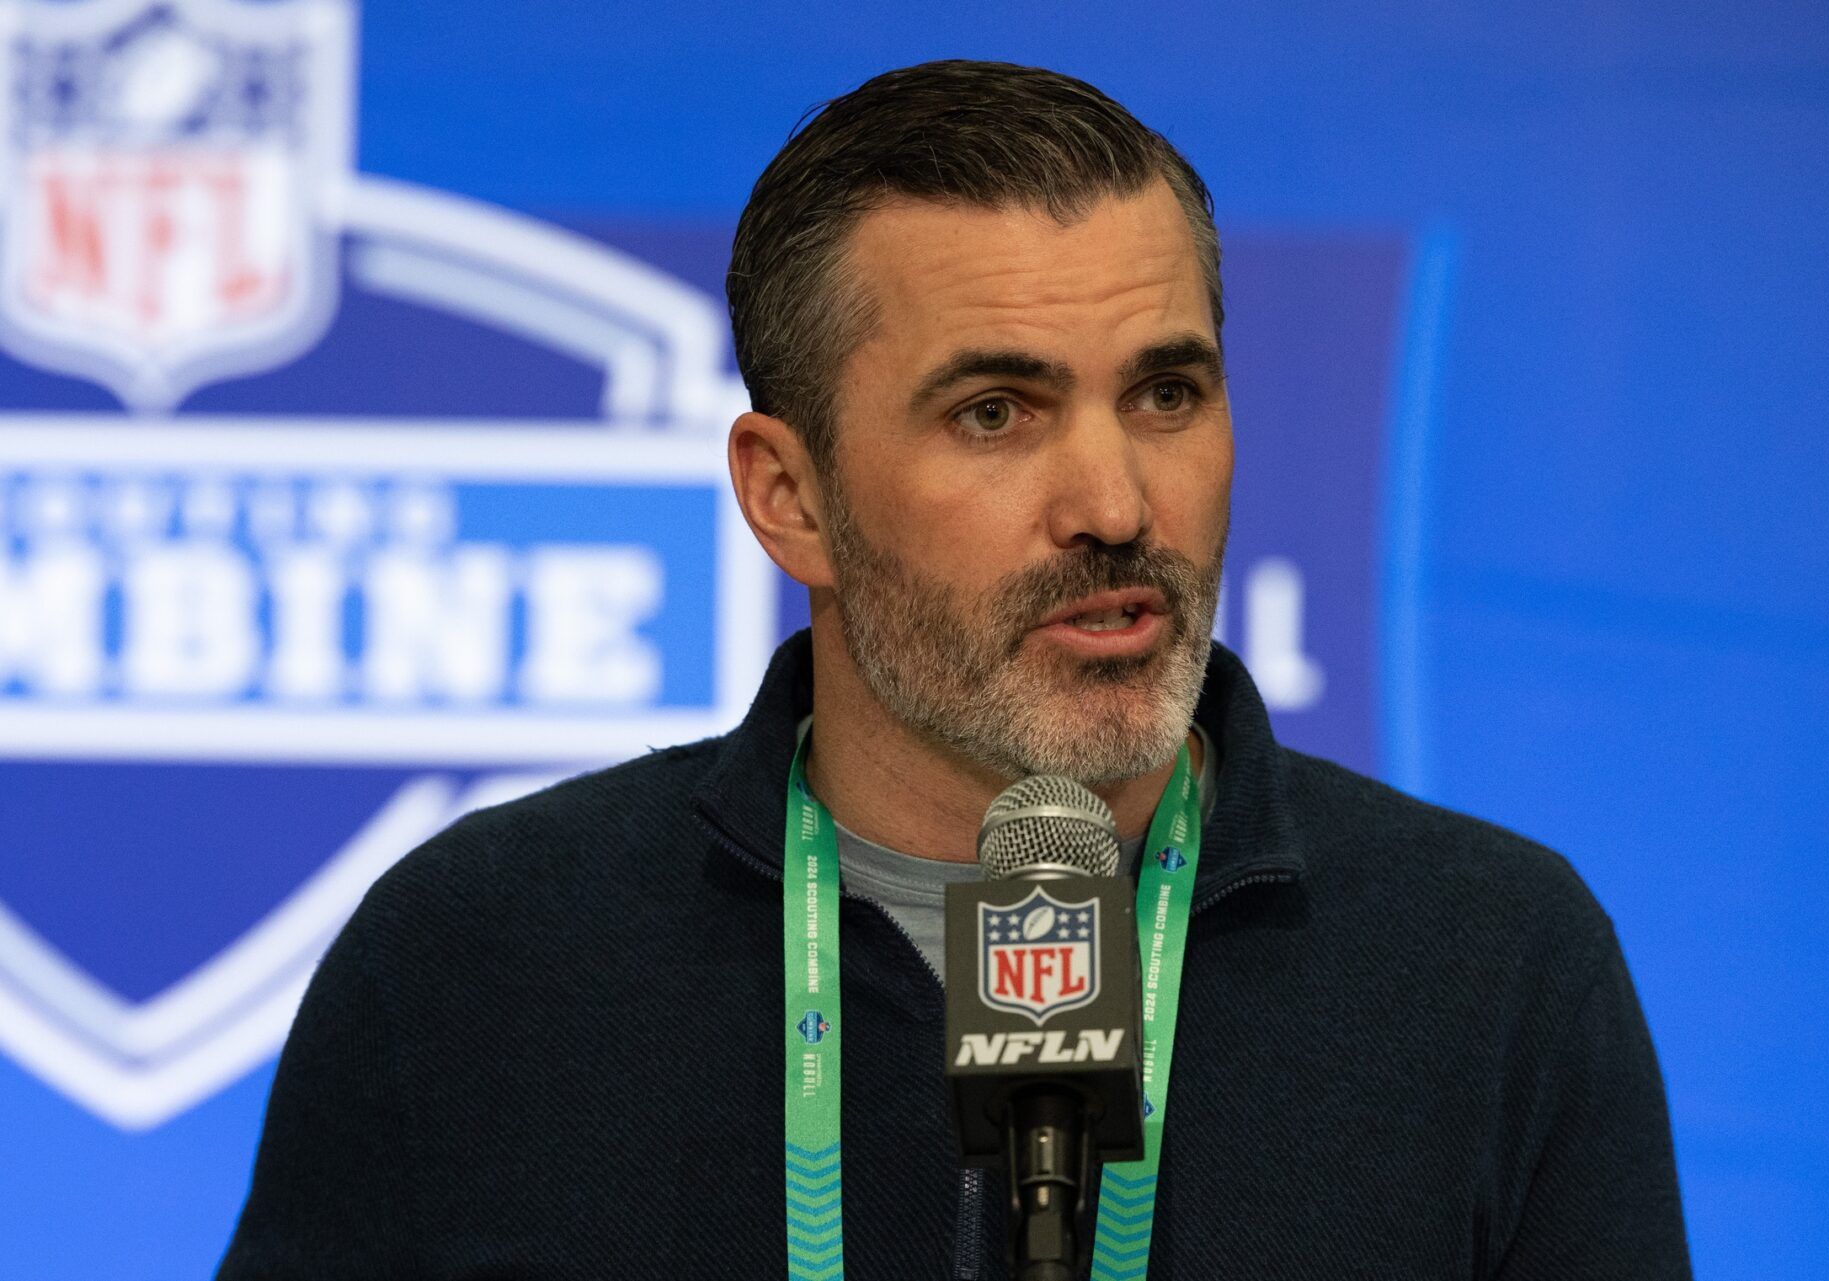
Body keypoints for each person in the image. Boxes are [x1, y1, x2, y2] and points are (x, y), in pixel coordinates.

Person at [218, 61, 1691, 1279]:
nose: (1116, 502)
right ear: (791, 497)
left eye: (1167, 392)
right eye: (997, 411)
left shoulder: (1493, 960)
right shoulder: (482, 955)